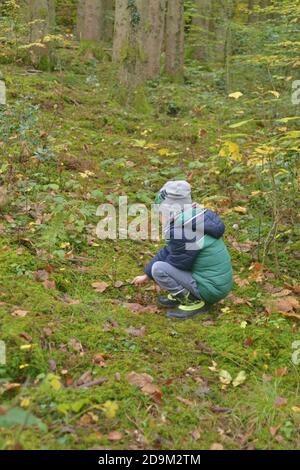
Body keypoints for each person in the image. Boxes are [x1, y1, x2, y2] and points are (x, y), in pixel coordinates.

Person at [133, 181, 233, 320]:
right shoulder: (193, 221)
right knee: (158, 268)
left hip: (210, 288)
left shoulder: (182, 230)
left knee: (159, 269)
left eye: (160, 213)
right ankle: (186, 293)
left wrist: (154, 274)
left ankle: (192, 300)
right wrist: (147, 275)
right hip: (216, 284)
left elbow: (178, 264)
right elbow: (170, 251)